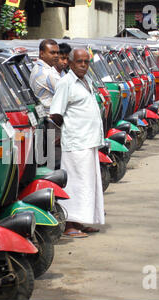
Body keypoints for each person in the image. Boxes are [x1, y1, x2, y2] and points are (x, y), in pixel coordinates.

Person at [50, 48, 105, 238]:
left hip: (89, 141)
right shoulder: (66, 83)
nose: (83, 65)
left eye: (86, 62)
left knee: (87, 183)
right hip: (76, 141)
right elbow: (56, 113)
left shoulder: (86, 81)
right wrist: (67, 130)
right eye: (79, 62)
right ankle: (69, 224)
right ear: (71, 64)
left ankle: (81, 221)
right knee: (74, 183)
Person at [29, 39, 60, 114]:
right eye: (52, 53)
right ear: (42, 54)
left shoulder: (42, 68)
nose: (56, 56)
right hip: (52, 117)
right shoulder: (45, 73)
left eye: (57, 53)